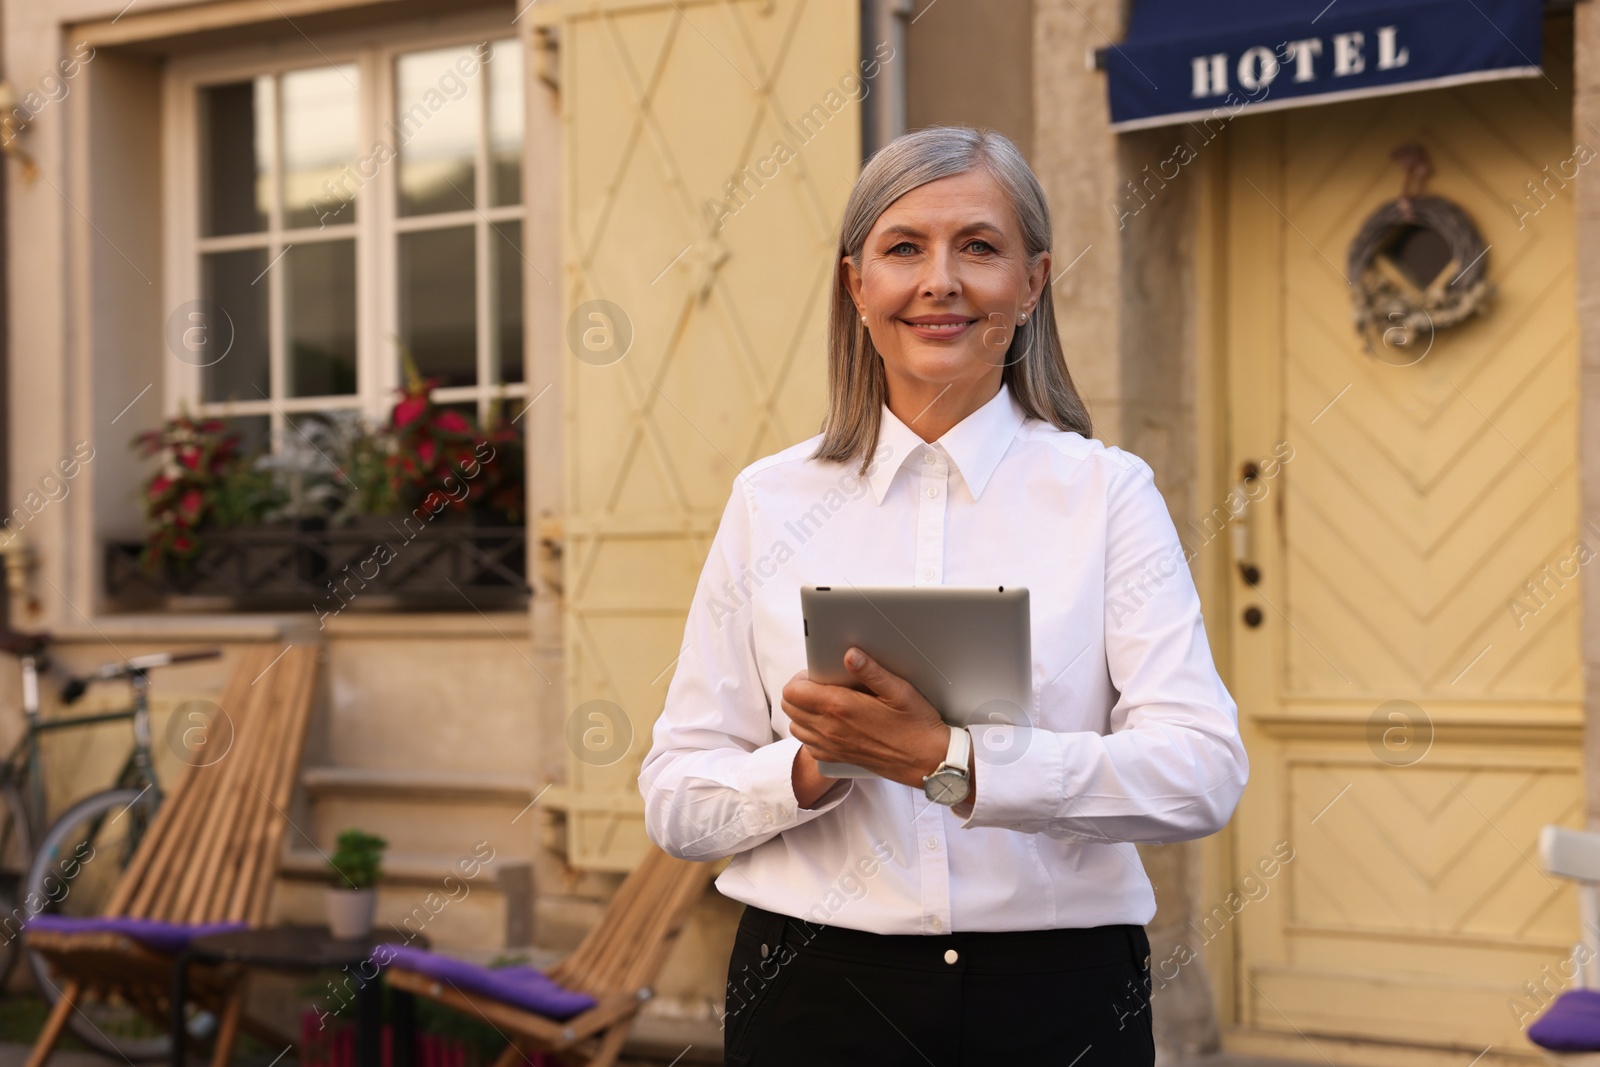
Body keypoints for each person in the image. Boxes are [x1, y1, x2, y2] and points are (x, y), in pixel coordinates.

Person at [638, 125, 1249, 1067]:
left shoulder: (1106, 492)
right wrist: (812, 768)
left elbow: (1202, 770)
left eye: (979, 246)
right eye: (903, 248)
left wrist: (951, 762)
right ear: (857, 284)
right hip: (812, 993)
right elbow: (677, 798)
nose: (940, 281)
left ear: (1034, 280)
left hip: (1055, 996)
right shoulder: (771, 501)